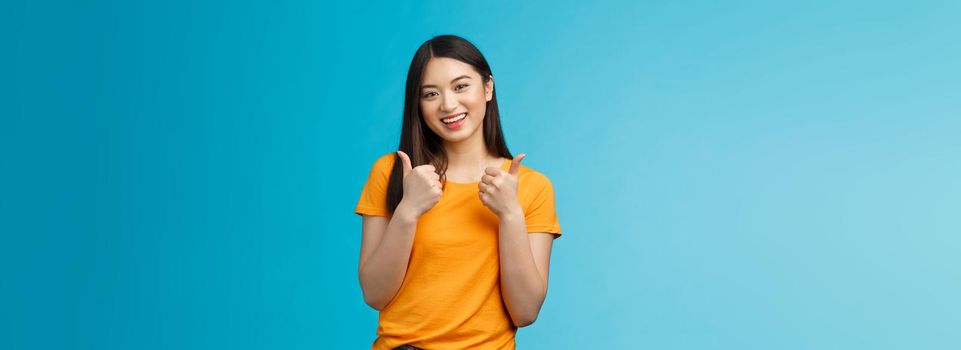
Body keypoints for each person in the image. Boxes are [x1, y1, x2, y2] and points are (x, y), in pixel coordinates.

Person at [355, 34, 562, 350]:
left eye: (461, 86)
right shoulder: (392, 173)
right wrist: (408, 210)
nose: (448, 104)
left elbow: (525, 312)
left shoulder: (531, 187)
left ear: (487, 88)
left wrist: (510, 214)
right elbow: (374, 294)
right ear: (418, 104)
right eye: (431, 94)